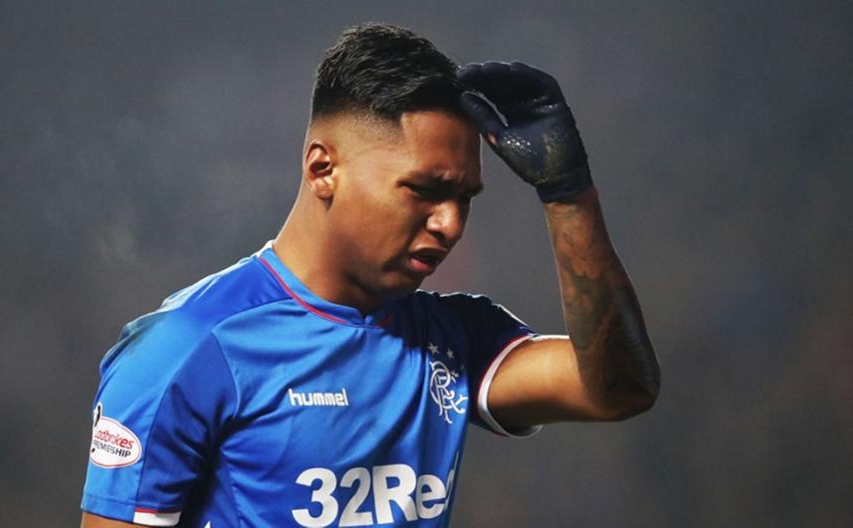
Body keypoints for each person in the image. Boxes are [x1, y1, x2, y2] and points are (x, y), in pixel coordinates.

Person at [80, 22, 660, 528]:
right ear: (323, 169)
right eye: (425, 190)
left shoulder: (456, 338)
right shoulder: (187, 347)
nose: (451, 224)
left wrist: (567, 196)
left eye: (465, 197)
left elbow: (619, 391)